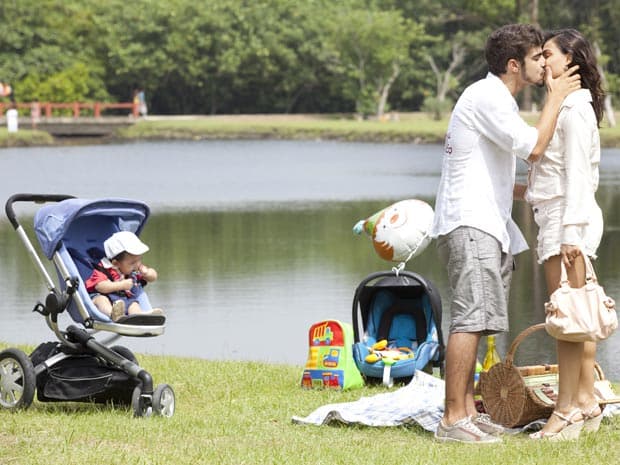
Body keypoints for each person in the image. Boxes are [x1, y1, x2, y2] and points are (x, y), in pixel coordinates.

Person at [431, 23, 581, 444]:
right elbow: (532, 147)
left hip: (487, 223)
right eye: (537, 58)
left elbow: (492, 173)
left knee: (480, 322)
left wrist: (539, 193)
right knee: (470, 318)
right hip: (471, 223)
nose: (543, 64)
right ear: (515, 65)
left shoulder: (496, 101)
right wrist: (556, 97)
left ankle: (465, 412)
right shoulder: (487, 98)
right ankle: (452, 420)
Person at [523, 29, 605, 441]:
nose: (542, 61)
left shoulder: (573, 110)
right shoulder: (568, 106)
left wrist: (570, 234)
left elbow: (577, 178)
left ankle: (566, 410)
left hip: (565, 222)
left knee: (566, 321)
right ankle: (587, 401)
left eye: (548, 54)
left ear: (570, 60)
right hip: (560, 217)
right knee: (579, 318)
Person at [85, 230, 164, 321]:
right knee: (101, 300)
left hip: (124, 300)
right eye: (133, 262)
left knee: (133, 304)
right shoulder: (104, 269)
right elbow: (100, 286)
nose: (137, 264)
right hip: (103, 297)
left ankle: (140, 316)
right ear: (116, 263)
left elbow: (153, 277)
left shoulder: (134, 268)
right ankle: (113, 314)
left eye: (140, 259)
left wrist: (147, 273)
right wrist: (121, 285)